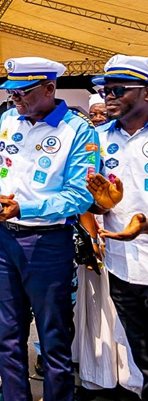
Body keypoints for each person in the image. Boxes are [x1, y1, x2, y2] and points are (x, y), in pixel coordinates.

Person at [0, 56, 99, 401]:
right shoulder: (7, 120)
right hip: (4, 239)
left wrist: (24, 208)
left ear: (49, 88)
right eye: (11, 93)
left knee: (53, 337)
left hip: (48, 242)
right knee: (8, 336)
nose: (14, 99)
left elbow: (80, 195)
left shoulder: (78, 130)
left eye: (23, 92)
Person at [87, 54, 148, 400]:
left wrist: (144, 226)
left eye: (118, 89)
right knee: (141, 353)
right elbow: (93, 202)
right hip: (122, 265)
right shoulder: (96, 139)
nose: (108, 96)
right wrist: (102, 205)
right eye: (105, 90)